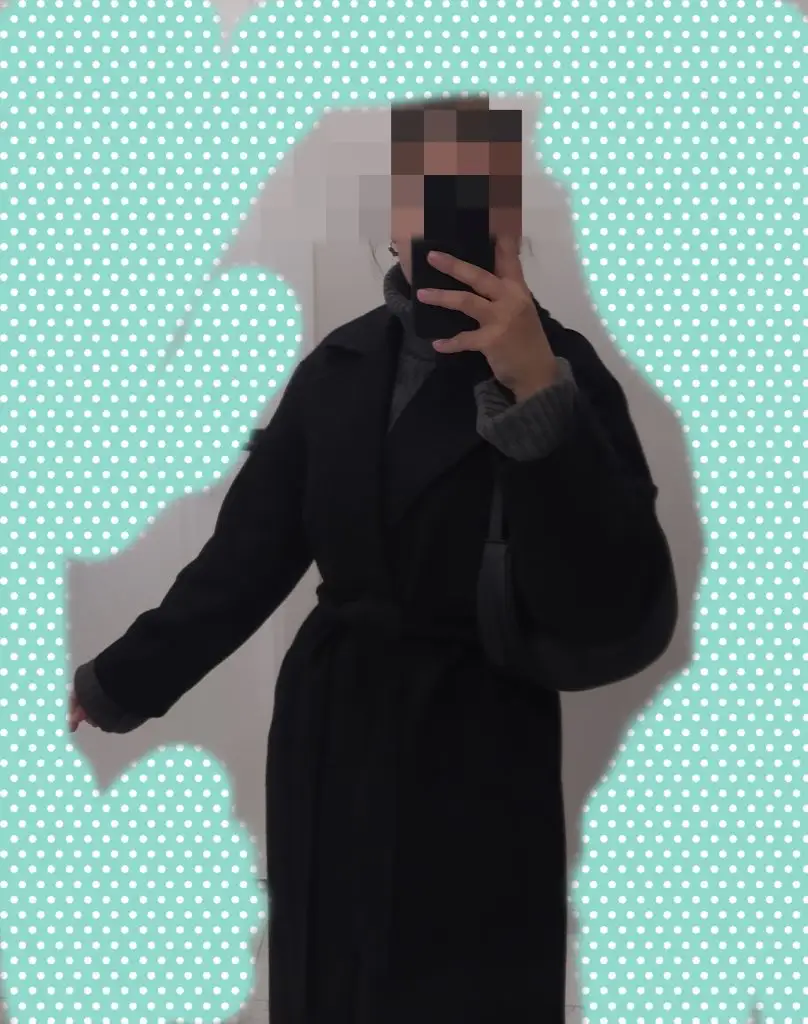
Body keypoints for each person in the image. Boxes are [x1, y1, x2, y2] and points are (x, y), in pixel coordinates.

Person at [69, 94, 677, 1024]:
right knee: (332, 982)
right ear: (393, 219)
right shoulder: (339, 367)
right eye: (417, 192)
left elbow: (611, 590)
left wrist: (536, 392)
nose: (435, 216)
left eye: (467, 191)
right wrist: (119, 681)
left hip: (479, 742)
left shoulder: (564, 369)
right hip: (334, 734)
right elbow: (245, 559)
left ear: (503, 216)